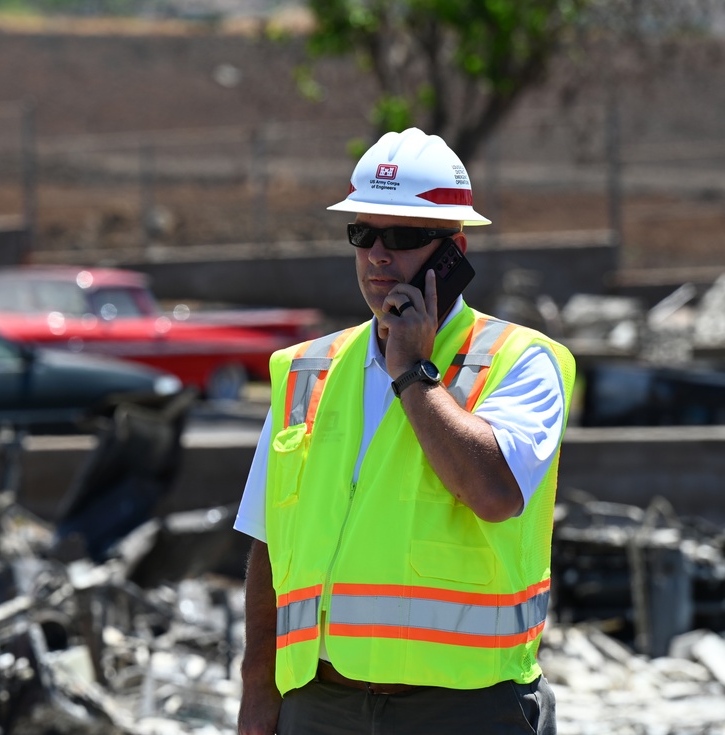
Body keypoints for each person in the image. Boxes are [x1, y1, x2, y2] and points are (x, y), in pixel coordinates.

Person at [233, 127, 576, 735]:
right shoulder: (306, 371)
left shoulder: (521, 361)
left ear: (455, 250)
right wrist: (258, 689)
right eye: (362, 234)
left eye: (405, 237)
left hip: (468, 709)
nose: (379, 256)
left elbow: (495, 494)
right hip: (321, 705)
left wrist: (415, 374)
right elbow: (267, 543)